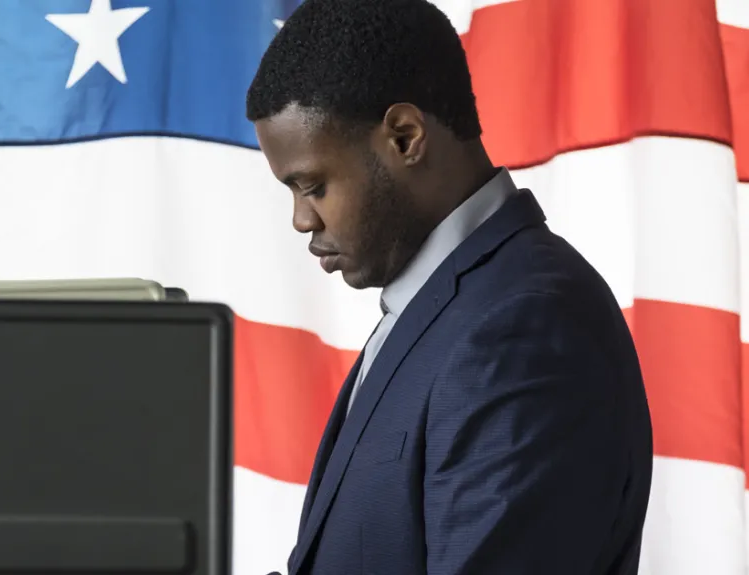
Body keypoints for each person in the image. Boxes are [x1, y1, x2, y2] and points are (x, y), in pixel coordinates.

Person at [245, 0, 654, 573]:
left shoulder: (523, 329)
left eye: (312, 185)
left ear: (406, 137)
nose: (302, 220)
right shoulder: (443, 307)